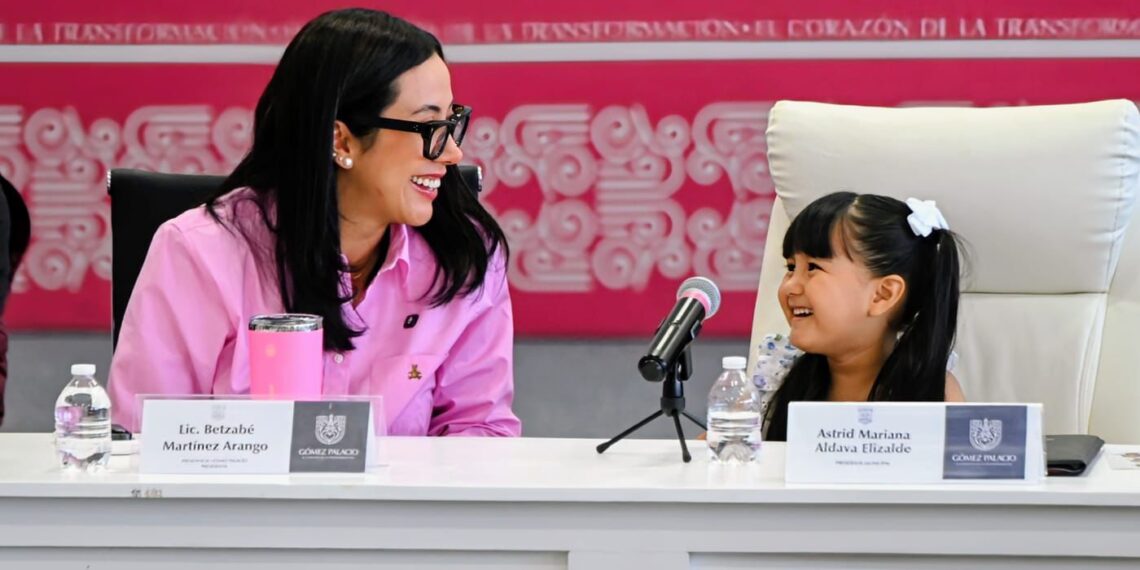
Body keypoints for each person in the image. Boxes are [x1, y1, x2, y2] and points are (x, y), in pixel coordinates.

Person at [109, 8, 520, 437]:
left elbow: (481, 433)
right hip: (242, 505)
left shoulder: (465, 256)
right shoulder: (199, 253)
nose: (452, 153)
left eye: (451, 123)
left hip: (399, 505)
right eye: (429, 126)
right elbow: (142, 441)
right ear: (340, 139)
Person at [759, 192, 966, 441]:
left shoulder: (931, 390)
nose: (790, 286)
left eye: (813, 268)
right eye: (791, 268)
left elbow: (960, 475)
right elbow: (724, 459)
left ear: (882, 295)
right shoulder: (776, 375)